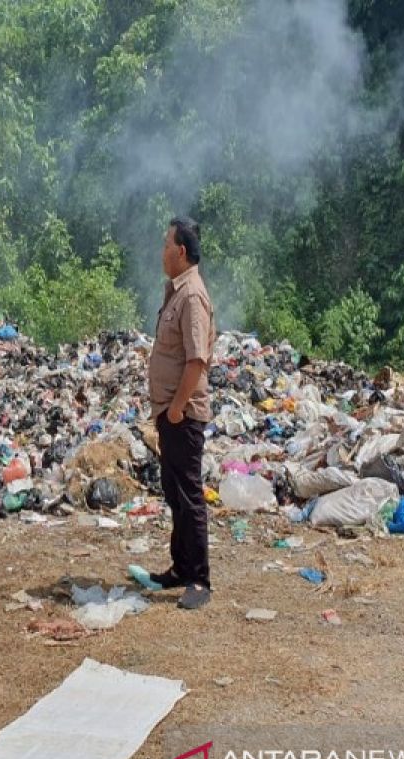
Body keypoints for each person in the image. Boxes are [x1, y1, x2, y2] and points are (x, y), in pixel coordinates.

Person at [147, 216, 216, 610]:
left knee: (189, 494)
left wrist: (175, 409)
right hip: (169, 413)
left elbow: (196, 361)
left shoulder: (192, 297)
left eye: (165, 244)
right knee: (173, 491)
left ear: (181, 251)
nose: (162, 252)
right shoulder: (174, 291)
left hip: (183, 415)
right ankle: (180, 567)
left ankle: (200, 580)